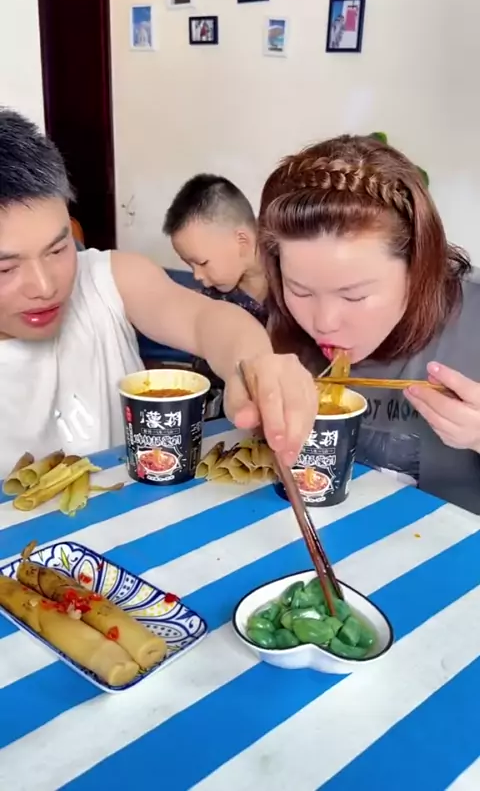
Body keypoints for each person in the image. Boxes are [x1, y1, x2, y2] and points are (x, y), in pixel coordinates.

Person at [0, 109, 317, 477]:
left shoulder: (109, 279)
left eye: (58, 250)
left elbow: (206, 319)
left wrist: (255, 365)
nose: (44, 287)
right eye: (5, 268)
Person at [258, 134, 480, 512]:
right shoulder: (283, 328)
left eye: (354, 296)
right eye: (301, 291)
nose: (324, 323)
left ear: (418, 268)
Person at [164, 174, 268, 326]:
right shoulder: (217, 299)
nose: (197, 275)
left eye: (203, 263)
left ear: (242, 241)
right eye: (190, 265)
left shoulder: (289, 270)